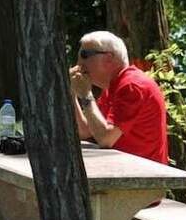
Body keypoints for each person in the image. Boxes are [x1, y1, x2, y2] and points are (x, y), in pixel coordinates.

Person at [69, 30, 168, 164]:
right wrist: (72, 93)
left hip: (144, 177)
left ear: (109, 58)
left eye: (84, 55)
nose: (79, 64)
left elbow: (105, 138)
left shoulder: (132, 86)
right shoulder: (113, 86)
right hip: (127, 171)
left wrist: (86, 95)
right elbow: (86, 131)